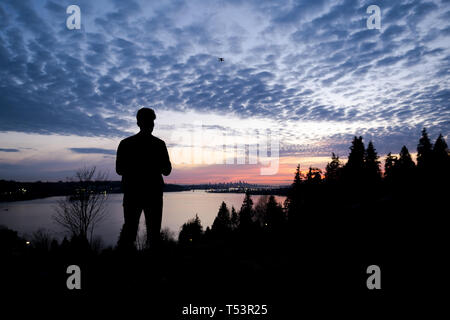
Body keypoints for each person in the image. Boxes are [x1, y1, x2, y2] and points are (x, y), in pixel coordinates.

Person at [116, 107, 172, 250]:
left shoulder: (125, 144)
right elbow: (167, 170)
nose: (151, 125)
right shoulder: (159, 144)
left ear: (138, 123)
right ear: (141, 123)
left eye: (152, 122)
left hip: (133, 194)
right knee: (153, 235)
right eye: (150, 121)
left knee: (131, 233)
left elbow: (119, 170)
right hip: (152, 194)